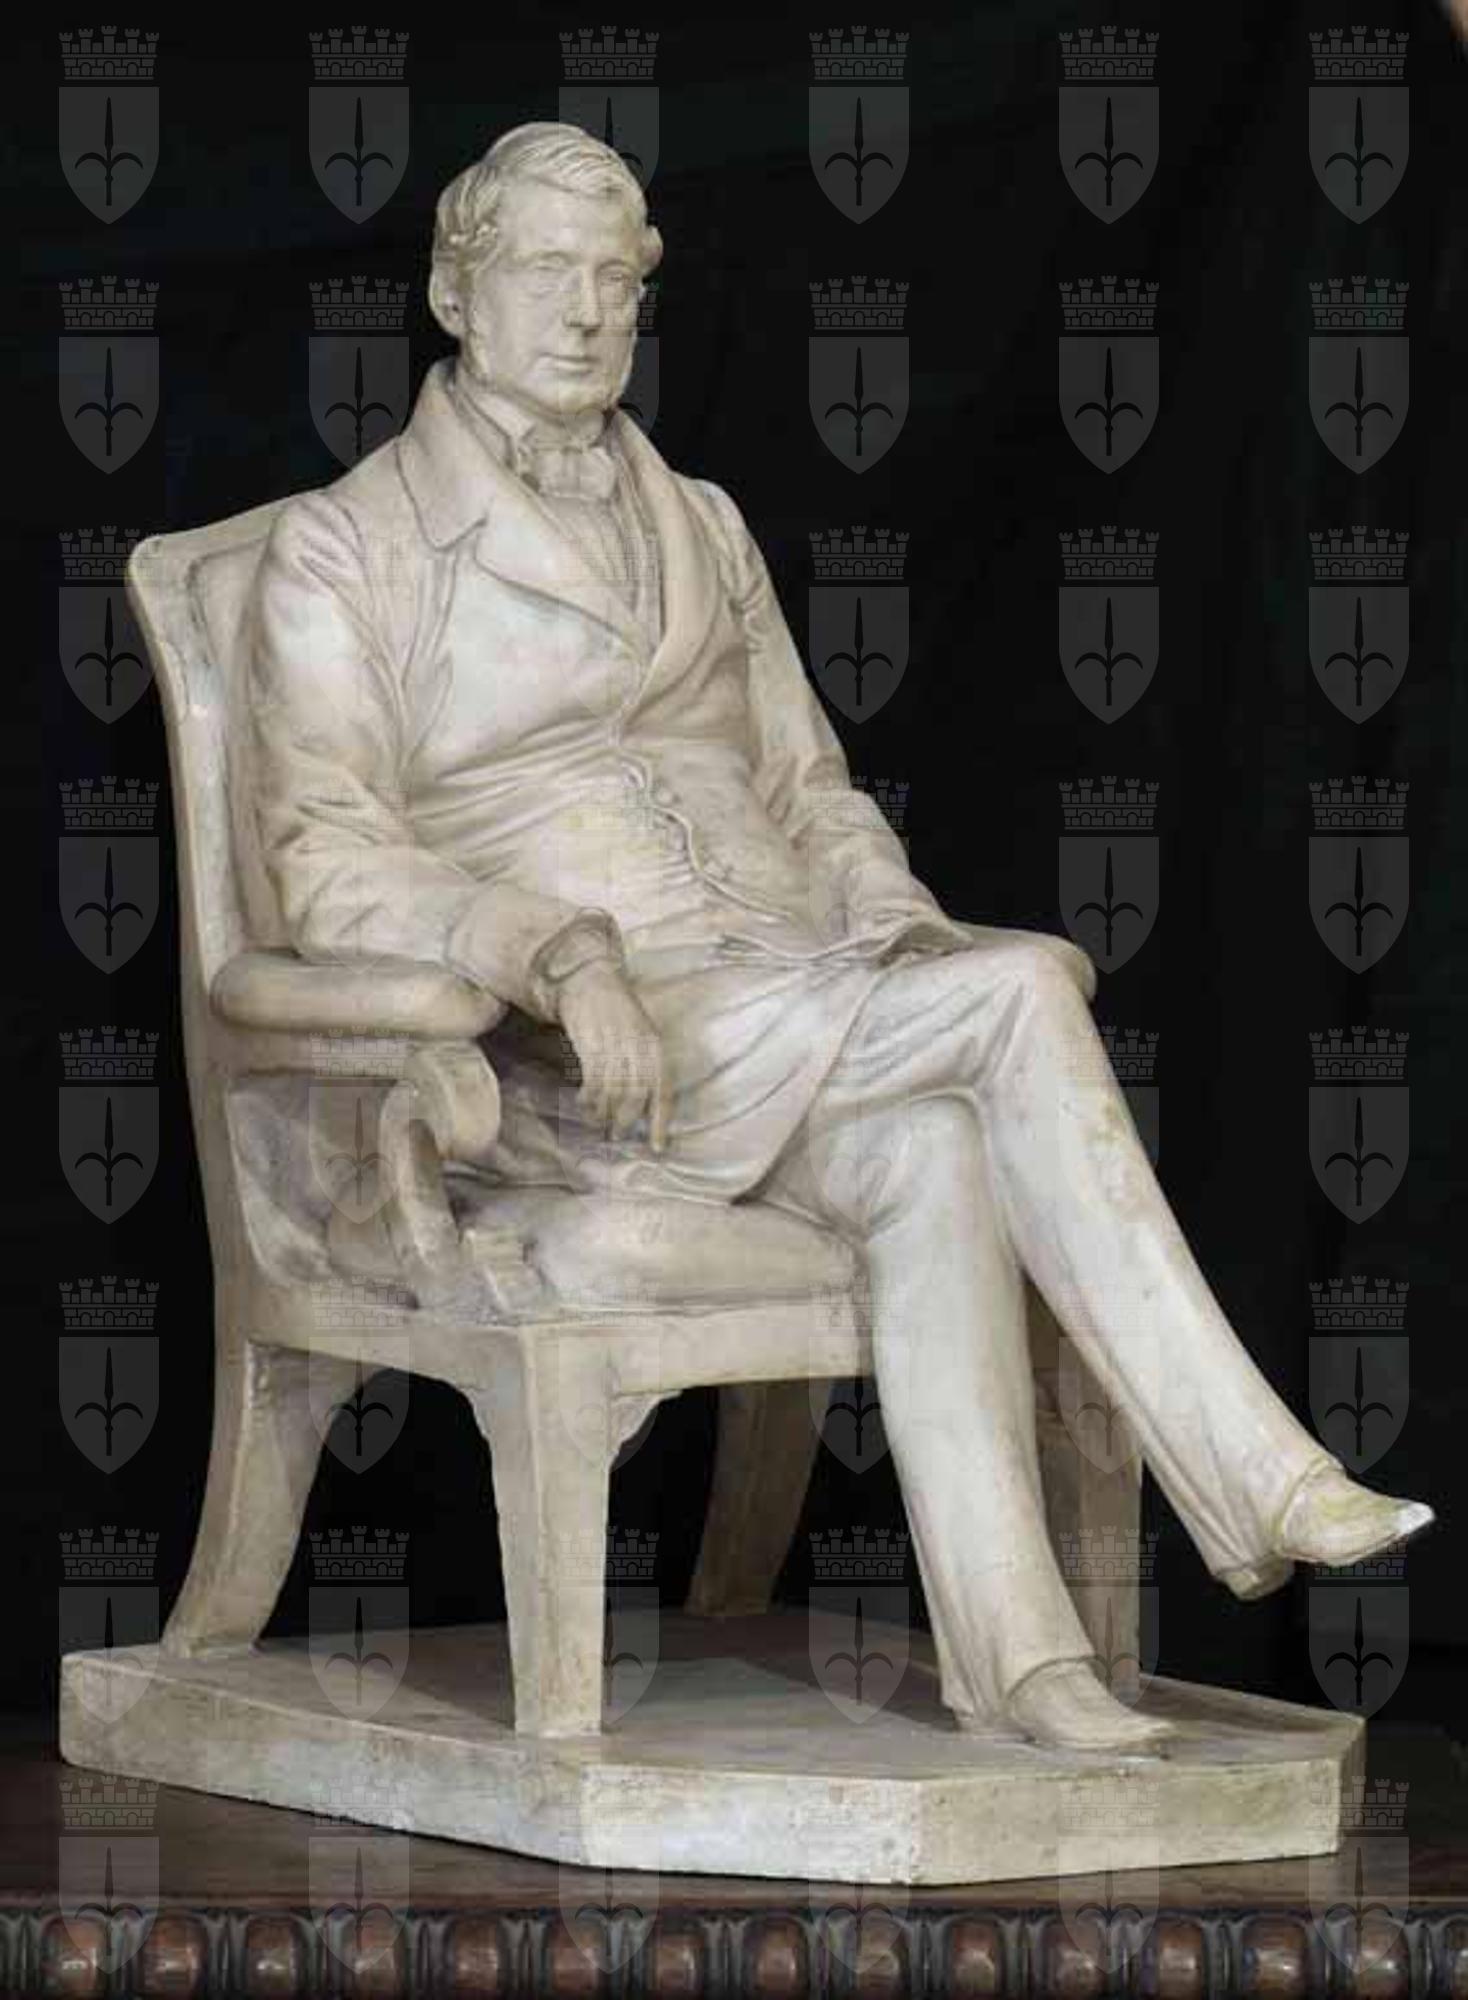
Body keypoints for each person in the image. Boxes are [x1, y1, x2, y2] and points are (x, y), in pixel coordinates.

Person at [247, 121, 1432, 1752]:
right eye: (544, 271)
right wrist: (551, 952)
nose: (585, 312)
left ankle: (1025, 1667)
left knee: (936, 1140)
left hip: (796, 993)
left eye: (615, 280)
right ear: (457, 292)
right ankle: (1256, 1471)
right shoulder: (348, 545)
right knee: (1026, 990)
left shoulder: (702, 522)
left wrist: (897, 926)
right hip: (583, 1062)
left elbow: (810, 790)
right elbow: (324, 864)